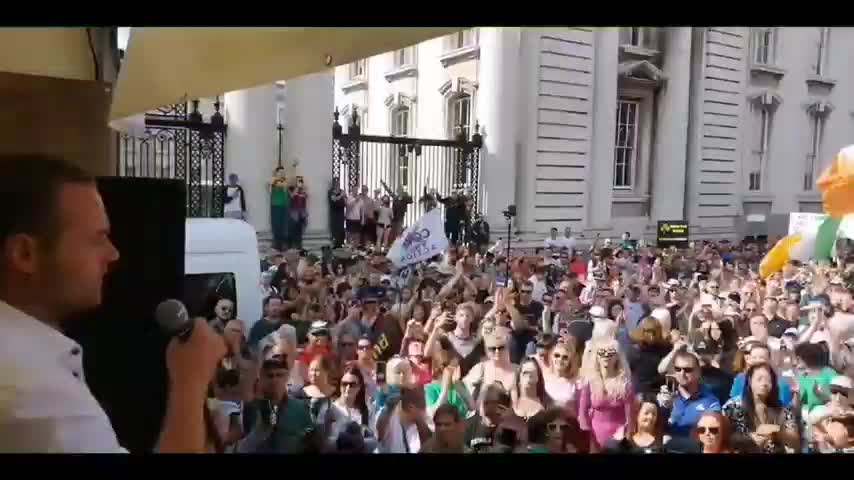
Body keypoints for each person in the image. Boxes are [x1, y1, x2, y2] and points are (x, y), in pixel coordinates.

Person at [0, 155, 226, 453]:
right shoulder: (32, 393)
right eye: (97, 239)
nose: (113, 254)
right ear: (25, 254)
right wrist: (190, 382)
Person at [722, 363, 799, 453]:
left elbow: (795, 440)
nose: (764, 383)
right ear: (750, 381)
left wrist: (778, 431)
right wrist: (750, 439)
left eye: (768, 380)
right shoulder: (733, 407)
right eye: (759, 379)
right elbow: (722, 435)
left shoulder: (783, 409)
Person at [577, 339, 634, 451]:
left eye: (611, 353)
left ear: (617, 356)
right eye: (602, 353)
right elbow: (582, 414)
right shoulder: (589, 382)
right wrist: (587, 437)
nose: (606, 356)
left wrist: (626, 436)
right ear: (596, 356)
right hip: (594, 435)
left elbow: (630, 417)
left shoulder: (625, 384)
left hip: (618, 436)